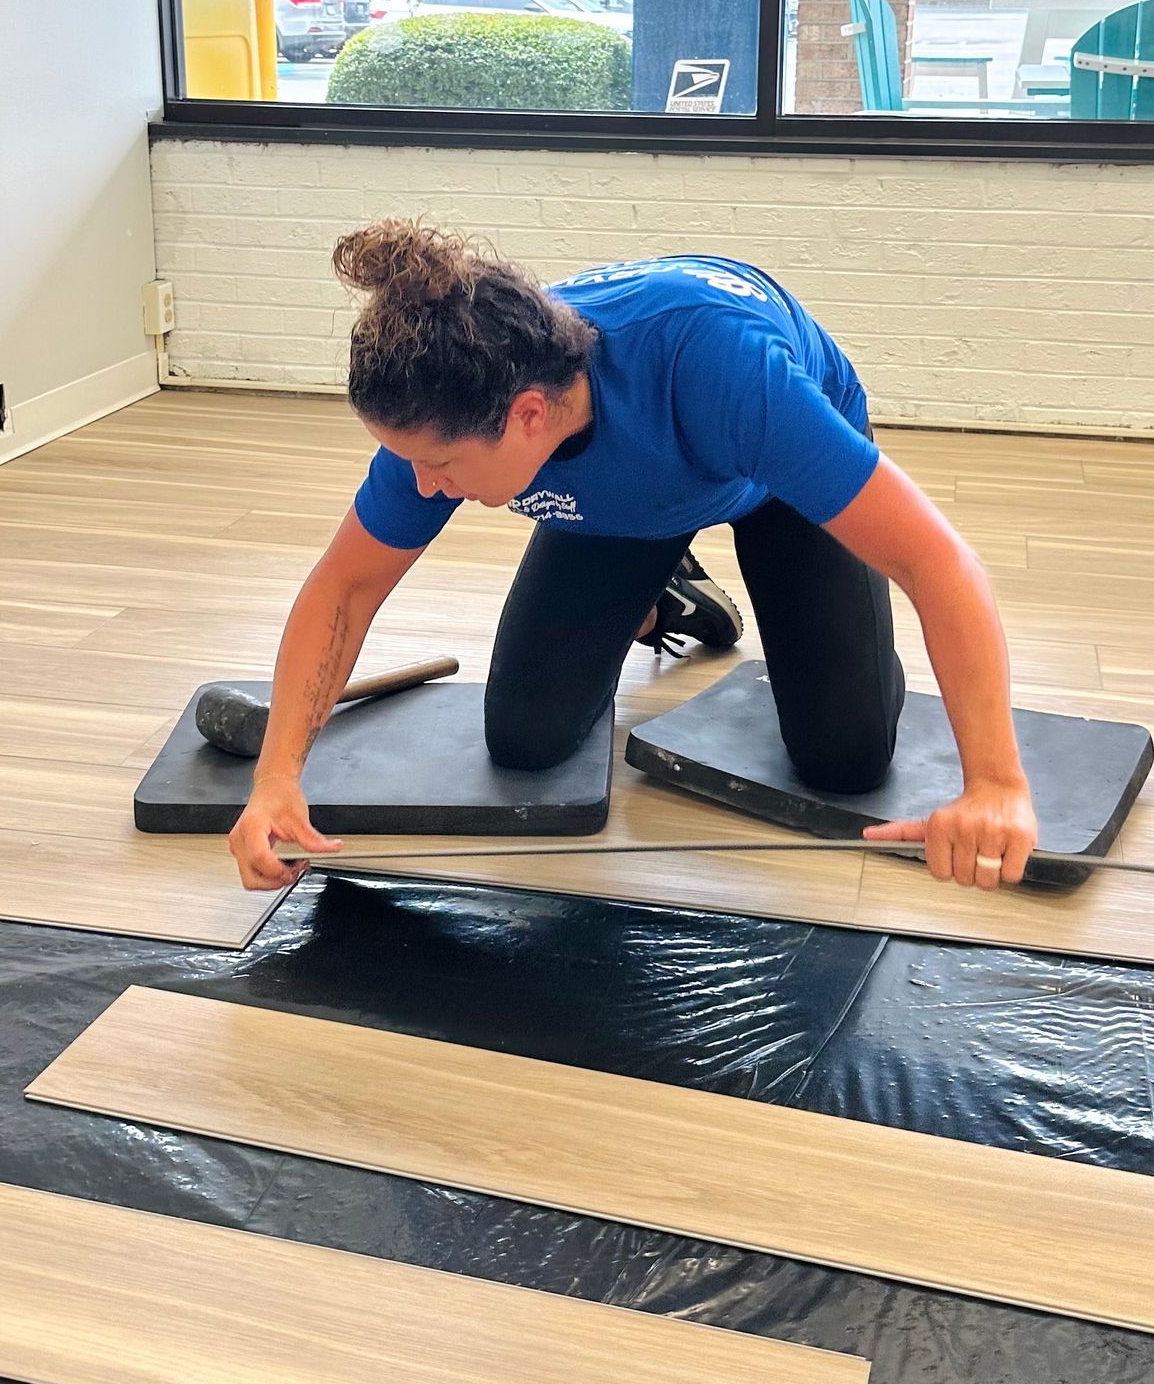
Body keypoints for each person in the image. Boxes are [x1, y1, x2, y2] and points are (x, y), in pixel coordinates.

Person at [229, 222, 1036, 894]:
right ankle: (668, 593)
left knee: (845, 759)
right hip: (619, 508)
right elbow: (345, 586)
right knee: (526, 742)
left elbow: (940, 563)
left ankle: (786, 621)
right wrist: (276, 779)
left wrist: (996, 783)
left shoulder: (723, 369)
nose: (423, 485)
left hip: (772, 484)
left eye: (440, 466)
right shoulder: (444, 416)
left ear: (529, 416)